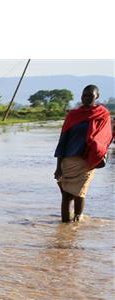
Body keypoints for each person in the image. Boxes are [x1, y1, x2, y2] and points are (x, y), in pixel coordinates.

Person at [55, 85, 112, 222]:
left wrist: (97, 150)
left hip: (87, 161)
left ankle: (75, 226)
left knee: (80, 193)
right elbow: (63, 140)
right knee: (66, 196)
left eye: (90, 95)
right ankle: (65, 228)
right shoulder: (73, 115)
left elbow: (106, 138)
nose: (86, 98)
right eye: (84, 95)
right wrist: (58, 166)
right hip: (68, 160)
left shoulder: (103, 115)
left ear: (97, 96)